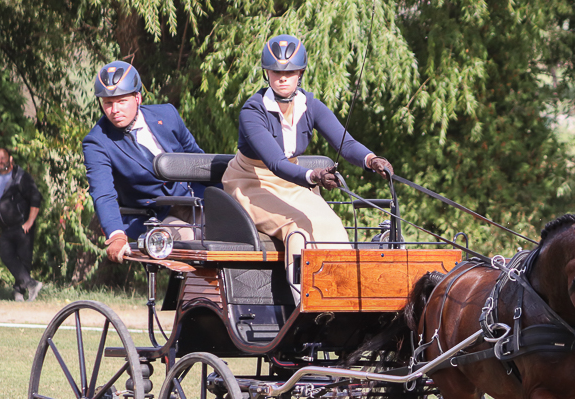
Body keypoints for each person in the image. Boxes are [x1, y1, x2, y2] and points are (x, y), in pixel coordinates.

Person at [222, 34, 394, 295]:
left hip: (292, 181)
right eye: (276, 71)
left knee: (332, 225)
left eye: (290, 71)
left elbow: (345, 144)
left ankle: (343, 296)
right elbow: (276, 162)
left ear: (300, 72)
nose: (283, 77)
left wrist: (371, 159)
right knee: (298, 227)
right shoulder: (252, 111)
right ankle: (305, 304)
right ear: (266, 73)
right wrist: (313, 176)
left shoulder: (310, 105)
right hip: (251, 182)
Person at [82, 60, 205, 263]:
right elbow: (103, 193)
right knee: (191, 241)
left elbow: (199, 162)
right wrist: (116, 234)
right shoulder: (97, 142)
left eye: (121, 101)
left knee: (230, 230)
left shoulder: (168, 115)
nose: (114, 110)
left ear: (137, 97)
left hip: (192, 201)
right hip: (155, 216)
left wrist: (228, 192)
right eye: (108, 103)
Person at [0, 148, 43, 301]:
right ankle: (30, 284)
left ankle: (19, 292)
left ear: (10, 159)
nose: (0, 161)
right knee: (6, 255)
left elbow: (36, 197)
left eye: (2, 158)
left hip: (22, 226)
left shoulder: (20, 176)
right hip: (6, 229)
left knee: (24, 259)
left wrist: (30, 221)